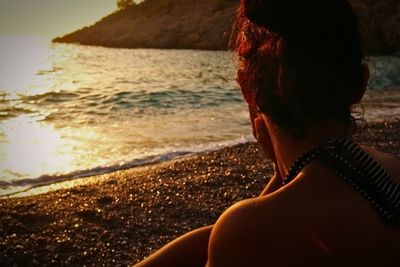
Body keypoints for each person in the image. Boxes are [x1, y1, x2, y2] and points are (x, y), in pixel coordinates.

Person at [133, 0, 400, 266]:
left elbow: (234, 240)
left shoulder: (249, 232)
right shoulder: (391, 171)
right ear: (361, 82)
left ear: (247, 90)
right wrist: (280, 173)